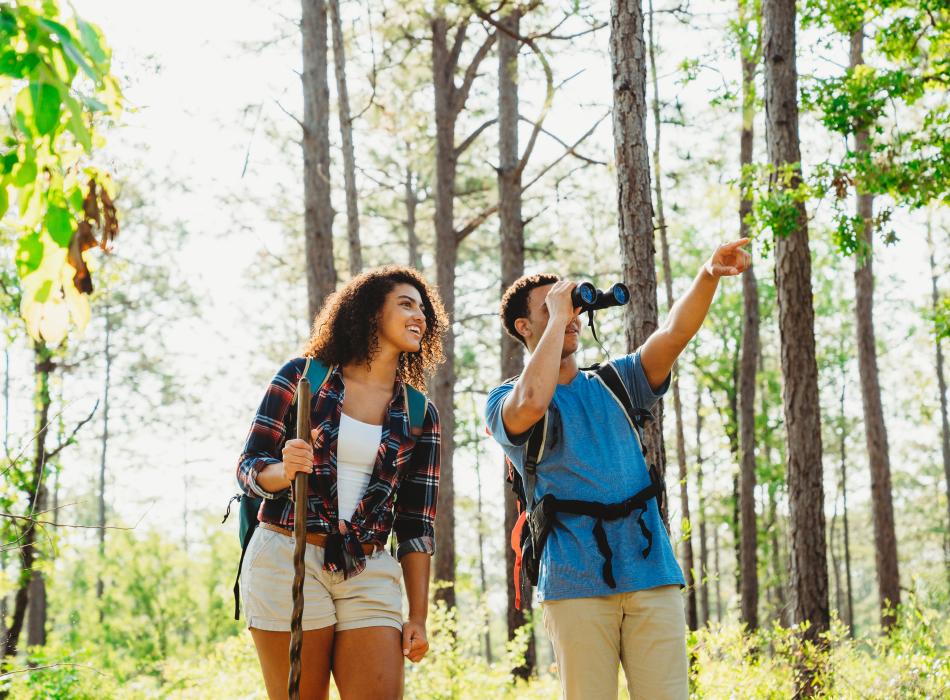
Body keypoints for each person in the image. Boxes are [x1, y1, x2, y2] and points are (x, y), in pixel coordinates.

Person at [485, 240, 751, 700]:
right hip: (573, 582)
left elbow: (672, 335)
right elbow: (530, 403)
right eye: (552, 309)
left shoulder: (616, 380)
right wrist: (558, 310)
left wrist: (707, 273)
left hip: (651, 573)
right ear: (524, 327)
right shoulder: (501, 401)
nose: (570, 317)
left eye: (571, 307)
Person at [236, 266, 447, 700]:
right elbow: (248, 464)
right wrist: (284, 469)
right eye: (406, 304)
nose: (420, 316)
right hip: (288, 557)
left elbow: (416, 525)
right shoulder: (303, 377)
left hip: (368, 566)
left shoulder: (419, 411)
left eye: (424, 309)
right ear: (371, 313)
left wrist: (419, 618)